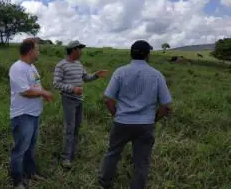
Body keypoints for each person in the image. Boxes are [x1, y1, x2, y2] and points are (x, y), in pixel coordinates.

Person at [98, 40, 172, 189]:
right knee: (142, 161)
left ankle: (105, 182)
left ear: (131, 54)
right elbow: (165, 106)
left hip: (122, 122)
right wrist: (153, 119)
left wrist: (115, 114)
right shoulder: (157, 75)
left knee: (113, 153)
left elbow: (107, 99)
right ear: (147, 55)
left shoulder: (120, 72)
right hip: (145, 124)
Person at [53, 40, 109, 169]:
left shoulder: (79, 64)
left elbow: (85, 78)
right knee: (69, 128)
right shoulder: (61, 65)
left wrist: (96, 75)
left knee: (77, 127)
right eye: (80, 49)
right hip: (68, 100)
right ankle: (66, 158)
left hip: (79, 100)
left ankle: (72, 153)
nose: (81, 51)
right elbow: (56, 83)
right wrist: (72, 89)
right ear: (73, 50)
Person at [9, 38, 54, 189]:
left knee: (30, 147)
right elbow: (25, 91)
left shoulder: (32, 67)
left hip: (34, 114)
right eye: (38, 49)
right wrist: (44, 93)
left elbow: (34, 86)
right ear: (30, 52)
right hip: (23, 115)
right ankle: (17, 181)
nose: (39, 52)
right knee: (21, 148)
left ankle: (30, 173)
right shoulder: (18, 68)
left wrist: (41, 93)